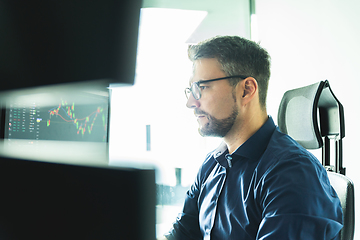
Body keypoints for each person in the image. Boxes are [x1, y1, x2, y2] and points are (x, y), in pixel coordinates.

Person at [162, 36, 343, 240]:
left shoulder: (292, 173)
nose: (190, 102)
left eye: (201, 87)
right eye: (191, 90)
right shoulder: (211, 165)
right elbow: (182, 233)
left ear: (247, 90)